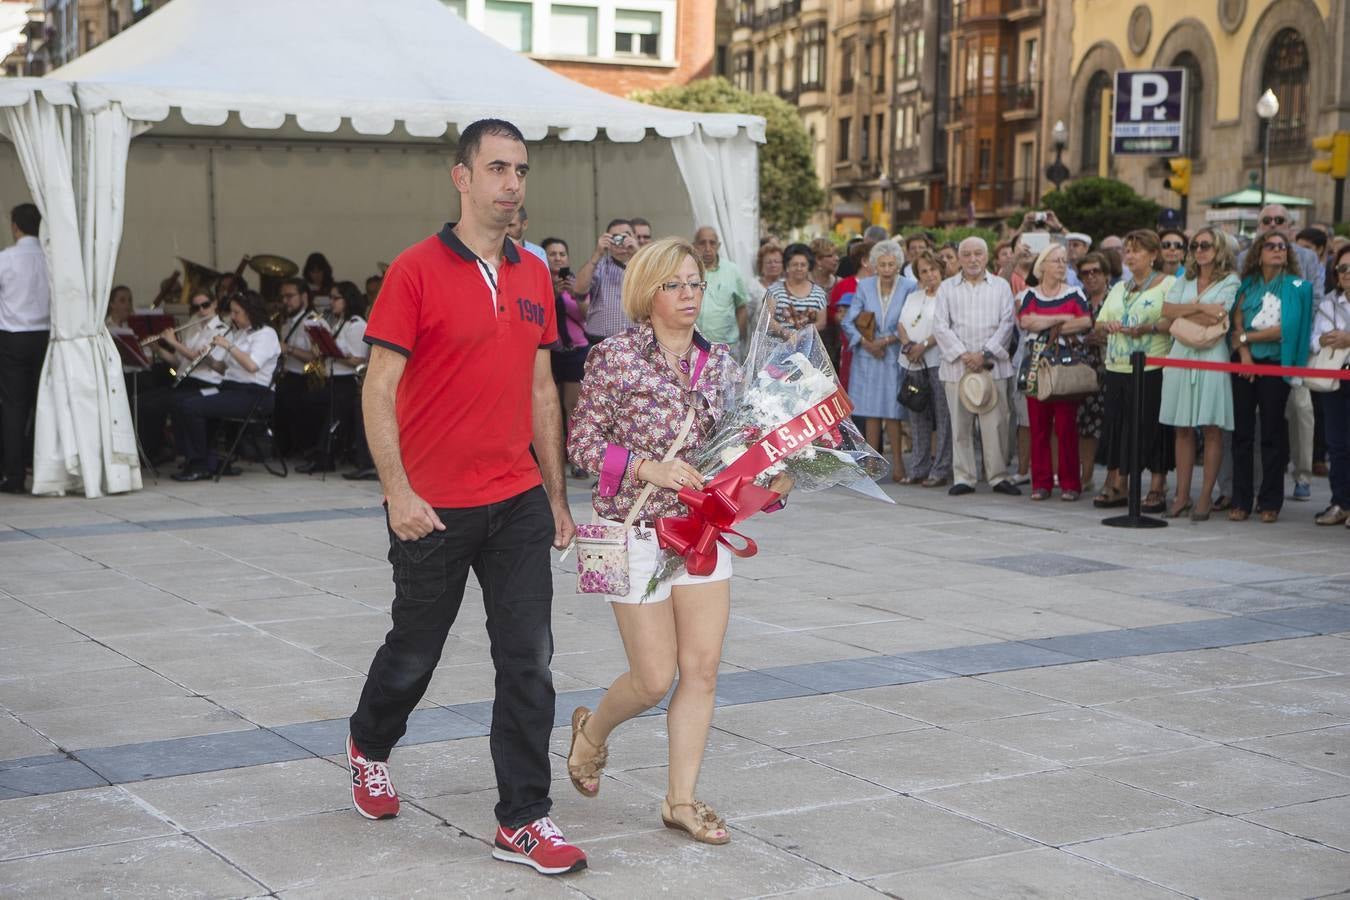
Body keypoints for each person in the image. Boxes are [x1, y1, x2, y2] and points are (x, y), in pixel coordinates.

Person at [344, 119, 585, 876]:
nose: (512, 183)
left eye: (521, 170)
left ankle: (523, 818)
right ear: (462, 177)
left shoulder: (536, 272)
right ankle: (369, 742)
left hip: (514, 496)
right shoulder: (416, 269)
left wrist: (555, 496)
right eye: (497, 168)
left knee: (529, 660)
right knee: (415, 653)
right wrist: (396, 492)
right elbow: (378, 388)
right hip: (433, 504)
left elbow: (543, 388)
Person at [565, 237, 791, 847]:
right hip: (632, 529)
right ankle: (591, 731)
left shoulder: (719, 363)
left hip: (700, 532)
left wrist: (774, 472)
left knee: (704, 669)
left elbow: (737, 447)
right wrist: (647, 467)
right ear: (648, 292)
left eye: (696, 283)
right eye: (676, 284)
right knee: (652, 676)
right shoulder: (615, 357)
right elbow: (581, 445)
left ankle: (680, 801)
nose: (690, 294)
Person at [1228, 230, 1314, 523]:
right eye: (1270, 246)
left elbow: (1286, 329)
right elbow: (1235, 320)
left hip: (1276, 365)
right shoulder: (1247, 284)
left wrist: (1245, 337)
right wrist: (1245, 354)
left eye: (1282, 246)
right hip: (1244, 363)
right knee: (1241, 434)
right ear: (1258, 252)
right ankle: (1240, 500)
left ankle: (1270, 501)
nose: (1278, 250)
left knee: (1272, 435)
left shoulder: (1298, 286)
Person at [1158, 227, 1240, 520]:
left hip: (1212, 354)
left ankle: (1205, 497)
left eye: (1205, 245)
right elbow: (1167, 310)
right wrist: (1200, 308)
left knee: (1211, 427)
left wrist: (1186, 310)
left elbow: (1222, 314)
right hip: (1181, 354)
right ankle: (1181, 496)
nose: (1199, 250)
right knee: (1181, 427)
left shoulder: (1231, 280)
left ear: (1219, 249)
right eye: (1195, 246)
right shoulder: (1185, 279)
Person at [1093, 230, 1175, 512]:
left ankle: (1156, 485)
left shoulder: (1169, 285)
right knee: (1119, 425)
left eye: (1137, 250)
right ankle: (1119, 483)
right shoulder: (1119, 288)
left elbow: (1174, 321)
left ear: (1153, 255)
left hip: (1153, 366)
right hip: (1118, 366)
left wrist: (1147, 328)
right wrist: (1109, 327)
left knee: (1152, 425)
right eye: (1127, 250)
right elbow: (1099, 323)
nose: (1130, 255)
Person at [933, 238, 1020, 496]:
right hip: (957, 368)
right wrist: (965, 355)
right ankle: (964, 477)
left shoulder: (1001, 286)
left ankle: (998, 476)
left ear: (987, 257)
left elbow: (1007, 324)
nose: (973, 259)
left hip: (993, 365)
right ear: (959, 259)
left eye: (978, 254)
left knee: (996, 425)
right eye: (967, 254)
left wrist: (983, 354)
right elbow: (940, 325)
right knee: (960, 425)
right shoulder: (947, 288)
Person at [169, 291, 280, 481]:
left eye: (237, 312)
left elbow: (252, 366)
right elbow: (224, 369)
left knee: (191, 407)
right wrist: (209, 359)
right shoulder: (240, 333)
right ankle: (202, 457)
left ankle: (199, 464)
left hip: (254, 395)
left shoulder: (266, 334)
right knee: (181, 401)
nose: (233, 317)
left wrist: (228, 346)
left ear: (250, 312)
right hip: (230, 388)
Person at [1016, 244, 1092, 501]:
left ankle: (1070, 483)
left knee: (1066, 427)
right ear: (1043, 266)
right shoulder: (1030, 294)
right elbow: (1026, 321)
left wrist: (1045, 320)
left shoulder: (1074, 293)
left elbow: (1084, 321)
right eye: (1055, 260)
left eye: (1064, 261)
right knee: (1038, 427)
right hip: (1036, 366)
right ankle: (1041, 483)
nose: (1061, 265)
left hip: (1064, 364)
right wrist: (1061, 320)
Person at [842, 240, 915, 481]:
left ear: (898, 265)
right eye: (881, 264)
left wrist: (884, 342)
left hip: (893, 354)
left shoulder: (909, 287)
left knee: (892, 411)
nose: (886, 269)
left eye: (891, 265)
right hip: (867, 356)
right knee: (870, 412)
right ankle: (871, 465)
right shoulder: (864, 286)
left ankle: (898, 466)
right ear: (873, 265)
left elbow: (910, 322)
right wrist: (866, 343)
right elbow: (848, 320)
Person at [0, 203, 48, 494]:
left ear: (15, 226)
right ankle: (43, 469)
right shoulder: (50, 258)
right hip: (45, 338)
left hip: (13, 337)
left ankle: (15, 476)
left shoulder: (5, 258)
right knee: (42, 405)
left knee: (14, 408)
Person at [298, 281, 368, 473]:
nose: (332, 302)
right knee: (307, 402)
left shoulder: (356, 324)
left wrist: (332, 352)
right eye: (331, 298)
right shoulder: (339, 322)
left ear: (348, 299)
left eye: (336, 298)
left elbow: (358, 360)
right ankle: (317, 450)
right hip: (333, 378)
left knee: (334, 414)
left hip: (348, 381)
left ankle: (325, 456)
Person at [896, 250, 951, 486]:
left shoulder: (949, 295)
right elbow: (900, 324)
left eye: (933, 269)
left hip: (939, 361)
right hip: (912, 363)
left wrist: (924, 345)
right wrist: (909, 345)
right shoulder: (914, 296)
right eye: (924, 271)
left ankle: (940, 469)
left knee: (943, 416)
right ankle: (918, 468)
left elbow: (945, 327)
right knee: (917, 416)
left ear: (941, 270)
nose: (929, 275)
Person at [542, 236, 589, 473]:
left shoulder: (576, 283)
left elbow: (585, 316)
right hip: (549, 352)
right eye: (552, 254)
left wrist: (575, 295)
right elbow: (538, 316)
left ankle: (576, 456)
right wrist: (552, 293)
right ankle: (553, 454)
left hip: (574, 351)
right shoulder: (538, 282)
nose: (558, 258)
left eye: (562, 254)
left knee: (572, 406)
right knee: (550, 405)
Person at [1312, 244, 1350, 526]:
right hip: (1335, 379)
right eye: (1342, 268)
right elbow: (1313, 339)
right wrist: (1324, 340)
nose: (1347, 273)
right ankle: (1340, 502)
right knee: (1337, 444)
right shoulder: (1327, 302)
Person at [272, 278, 323, 458]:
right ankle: (285, 449)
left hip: (308, 380)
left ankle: (303, 448)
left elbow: (318, 356)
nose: (285, 301)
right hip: (289, 375)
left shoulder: (315, 322)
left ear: (304, 297)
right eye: (283, 297)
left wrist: (289, 349)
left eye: (290, 296)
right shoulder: (286, 323)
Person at [1075, 252, 1111, 492]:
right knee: (1085, 426)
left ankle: (1114, 478)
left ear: (1106, 274)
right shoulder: (1078, 301)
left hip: (1112, 368)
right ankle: (1085, 476)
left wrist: (1105, 336)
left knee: (1112, 426)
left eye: (1095, 271)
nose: (1091, 277)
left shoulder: (1117, 297)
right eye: (1085, 273)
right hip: (1083, 371)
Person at [577, 218, 637, 345]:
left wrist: (638, 253)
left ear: (634, 237)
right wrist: (597, 254)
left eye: (626, 236)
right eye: (615, 237)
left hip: (637, 341)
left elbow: (659, 285)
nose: (620, 241)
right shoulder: (599, 265)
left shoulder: (644, 265)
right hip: (601, 341)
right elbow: (579, 290)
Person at [692, 226, 750, 356]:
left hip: (727, 347)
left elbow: (741, 307)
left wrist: (738, 338)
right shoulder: (688, 271)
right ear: (694, 246)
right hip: (694, 346)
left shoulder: (733, 271)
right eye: (702, 243)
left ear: (718, 246)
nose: (707, 248)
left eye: (712, 243)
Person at [767, 243, 830, 333]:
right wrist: (785, 332)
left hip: (807, 345)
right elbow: (767, 319)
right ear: (787, 266)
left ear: (809, 267)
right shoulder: (773, 291)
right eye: (795, 264)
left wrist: (803, 335)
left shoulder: (819, 293)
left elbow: (821, 323)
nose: (799, 268)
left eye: (803, 265)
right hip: (778, 345)